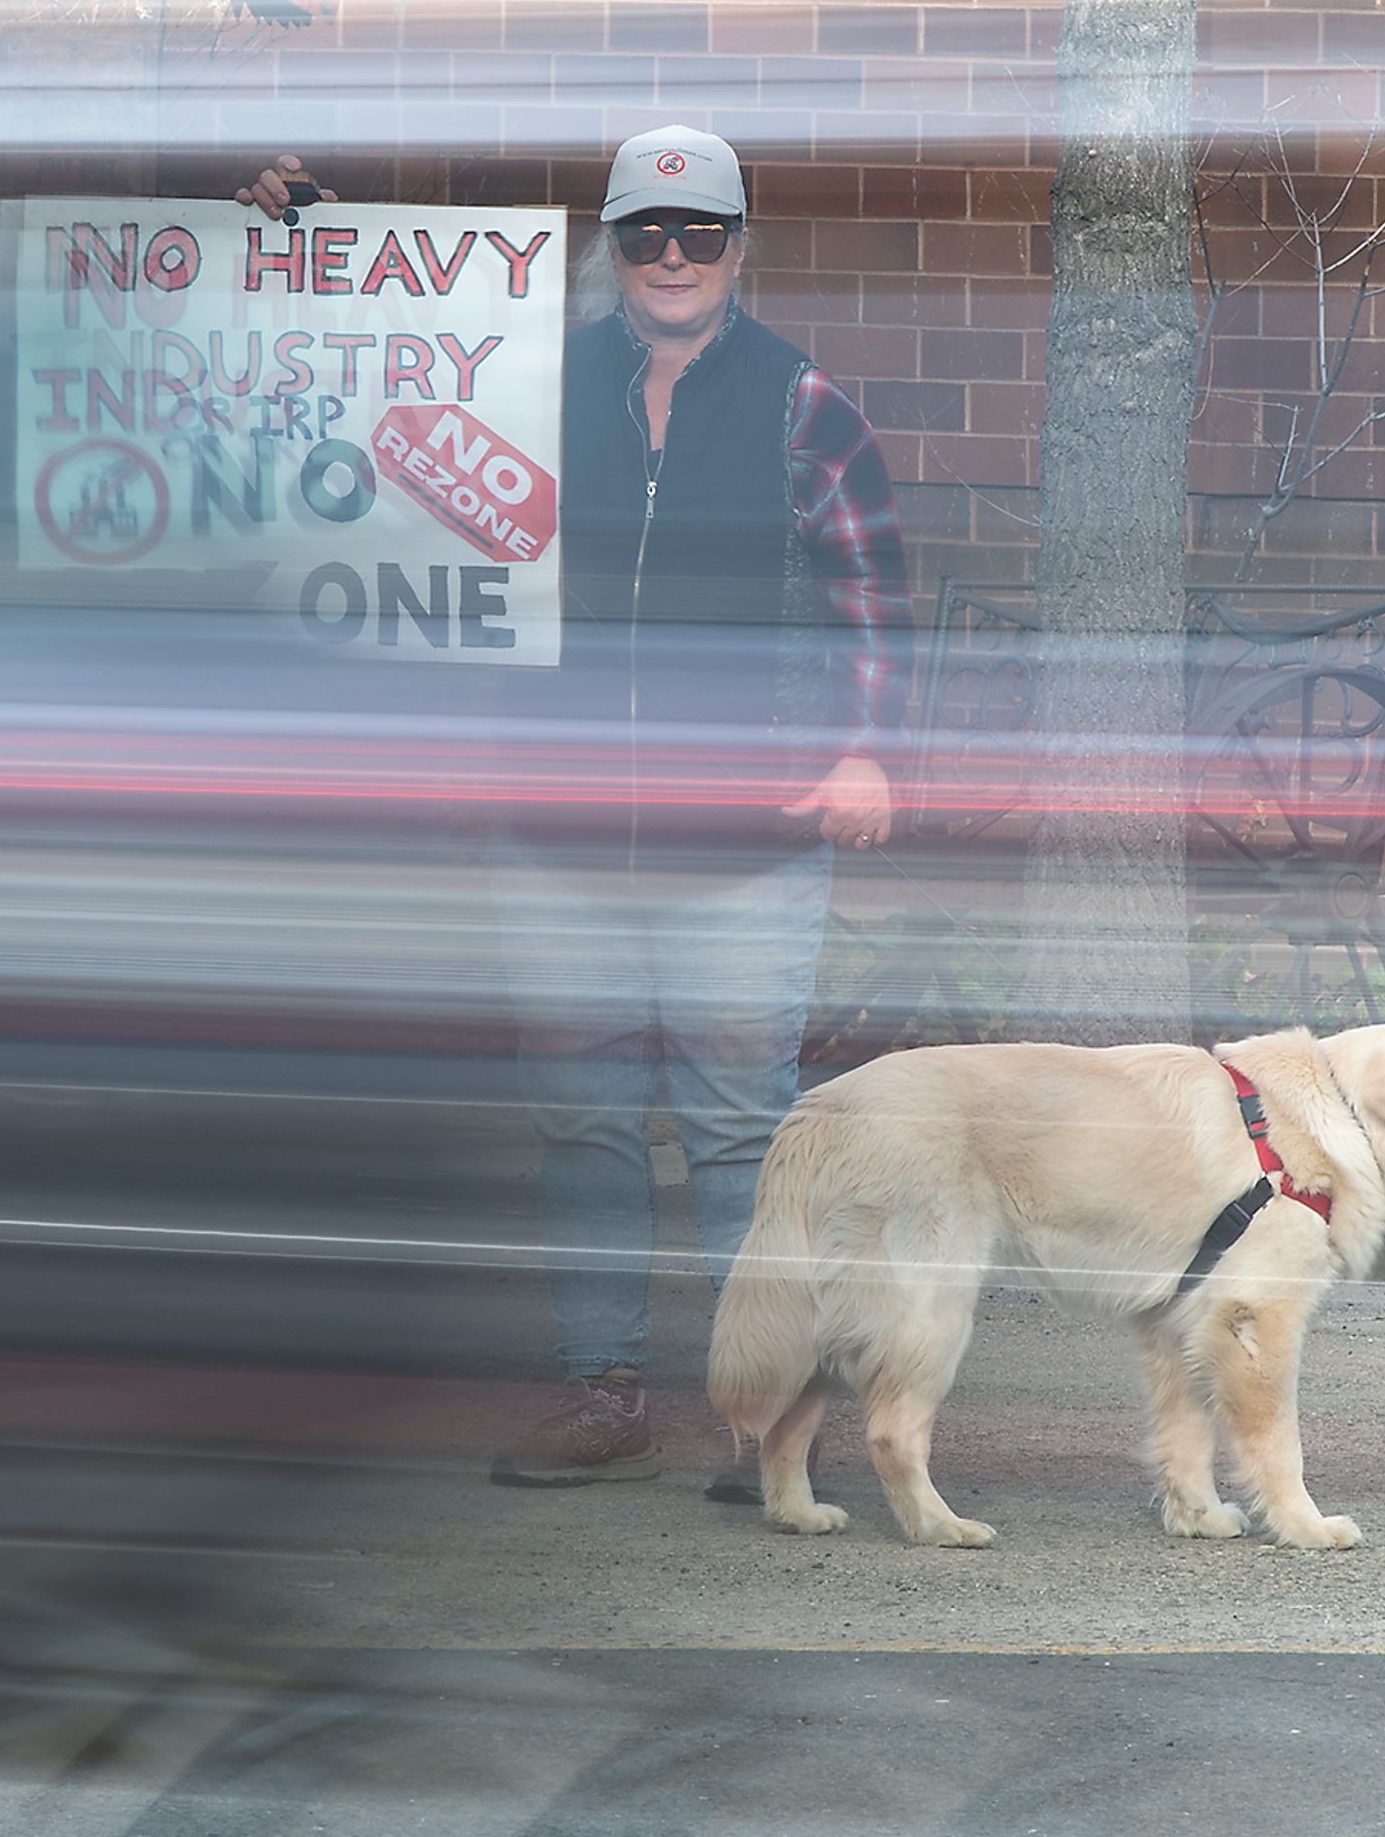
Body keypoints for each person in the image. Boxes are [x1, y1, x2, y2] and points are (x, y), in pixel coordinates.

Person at [241, 130, 911, 1492]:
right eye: (648, 233)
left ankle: (764, 1417)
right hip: (556, 834)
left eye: (700, 234)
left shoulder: (804, 407)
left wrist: (866, 752)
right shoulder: (520, 380)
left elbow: (871, 597)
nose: (673, 258)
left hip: (746, 841)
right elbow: (373, 361)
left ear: (739, 244)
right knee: (586, 1118)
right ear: (613, 243)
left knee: (739, 1132)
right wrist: (289, 231)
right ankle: (602, 1393)